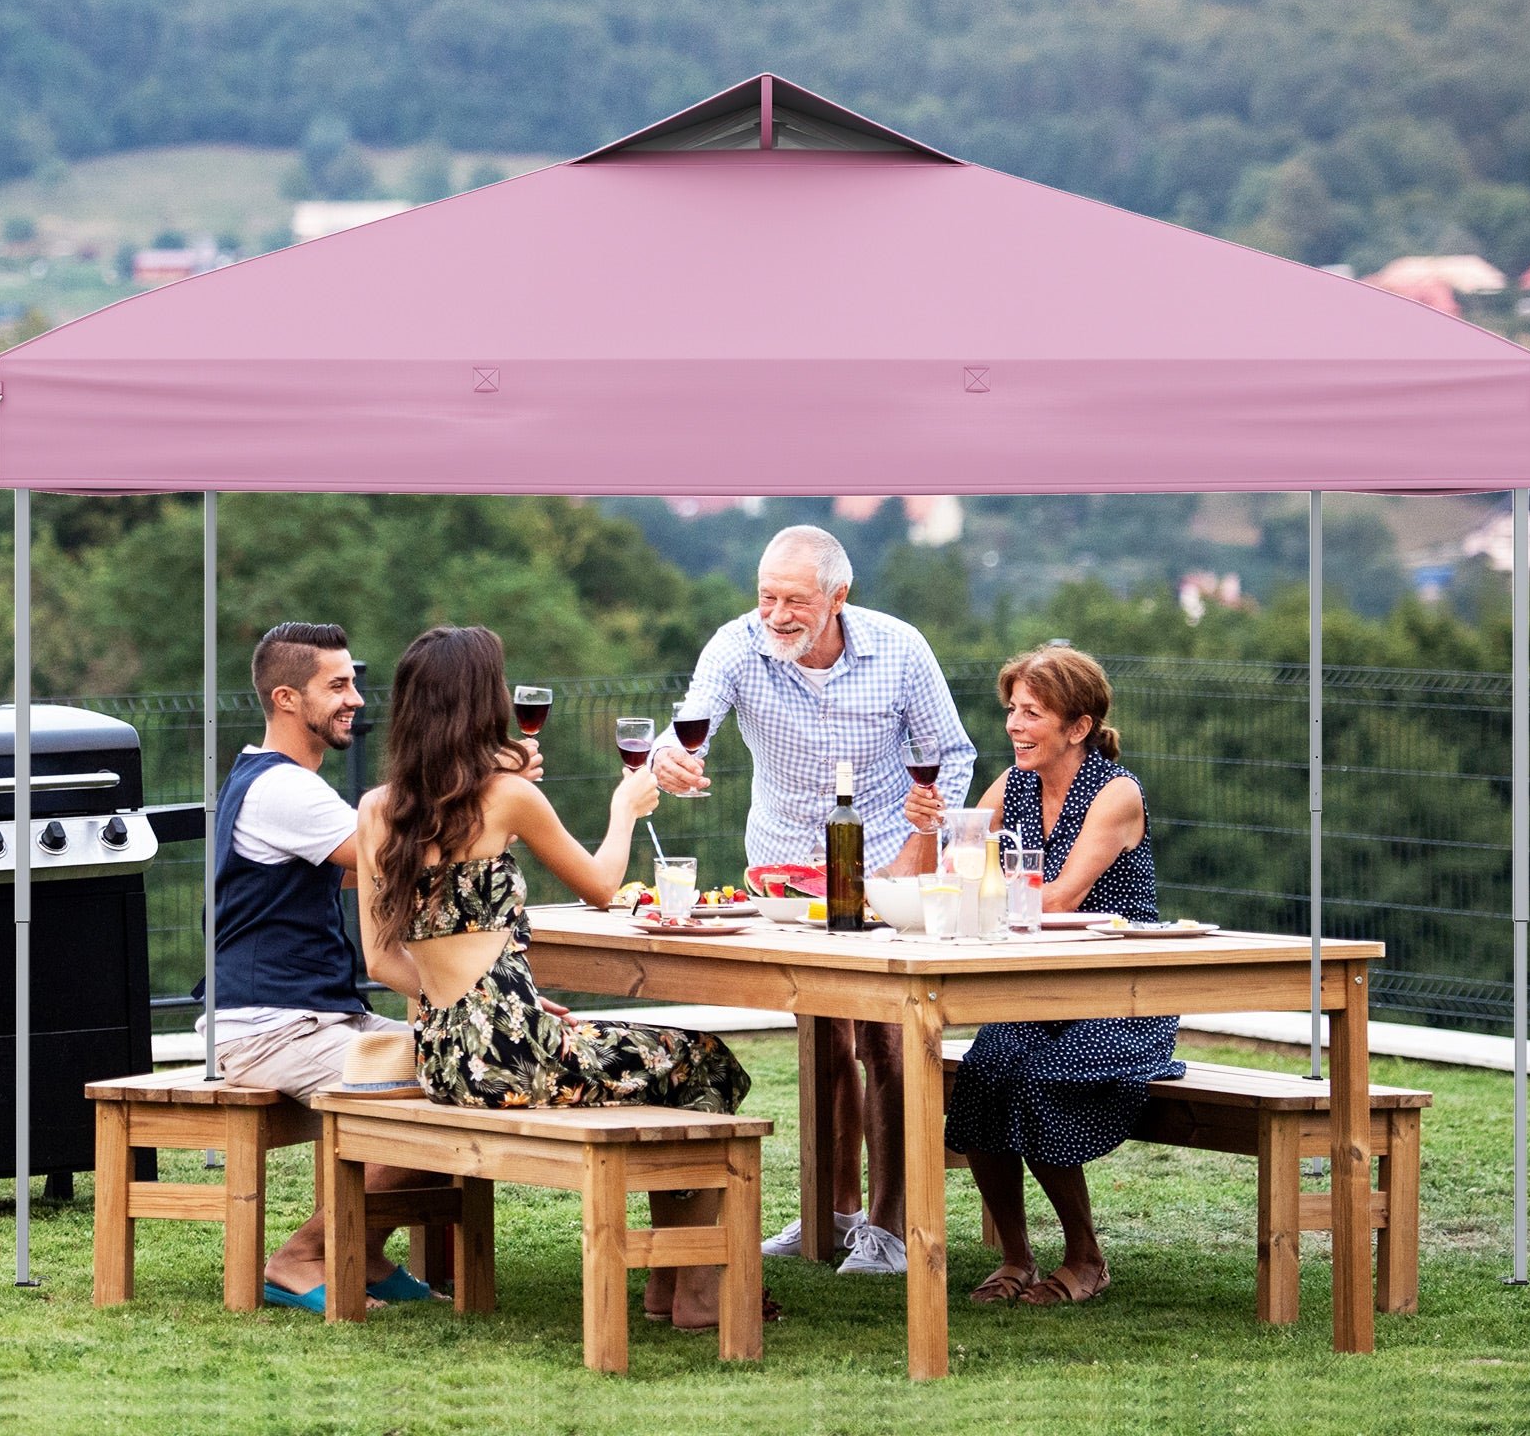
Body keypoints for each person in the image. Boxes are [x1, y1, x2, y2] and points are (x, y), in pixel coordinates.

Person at [355, 624, 754, 1332]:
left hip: (448, 1056)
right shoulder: (506, 796)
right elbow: (603, 884)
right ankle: (690, 1290)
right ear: (483, 703)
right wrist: (624, 808)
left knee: (661, 1058)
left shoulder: (377, 809)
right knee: (703, 1058)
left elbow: (383, 962)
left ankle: (670, 1286)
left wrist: (490, 1004)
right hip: (515, 1057)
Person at [652, 524, 975, 1275]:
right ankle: (831, 1216)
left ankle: (890, 1230)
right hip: (786, 867)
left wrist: (916, 842)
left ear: (839, 596)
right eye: (767, 596)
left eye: (795, 599)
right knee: (824, 1040)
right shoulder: (737, 645)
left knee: (886, 1039)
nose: (777, 614)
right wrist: (673, 761)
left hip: (887, 860)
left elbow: (951, 754)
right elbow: (687, 733)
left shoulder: (899, 648)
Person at [906, 644, 1184, 1307]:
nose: (1014, 725)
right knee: (980, 1076)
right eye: (1011, 710)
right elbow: (953, 874)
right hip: (1040, 990)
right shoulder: (1012, 785)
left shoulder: (1114, 792)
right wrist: (935, 830)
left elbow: (1055, 899)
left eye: (1032, 713)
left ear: (1078, 726)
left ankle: (1086, 1257)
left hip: (1126, 996)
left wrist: (974, 870)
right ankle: (1017, 1257)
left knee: (1040, 1078)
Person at [201, 621, 465, 1310]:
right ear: (287, 698)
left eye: (355, 682)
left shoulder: (274, 780)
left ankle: (368, 1253)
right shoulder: (286, 790)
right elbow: (398, 860)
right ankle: (303, 1255)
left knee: (465, 1059)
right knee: (450, 1068)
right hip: (267, 1026)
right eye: (338, 685)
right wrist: (487, 793)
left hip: (307, 1015)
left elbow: (364, 872)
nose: (355, 698)